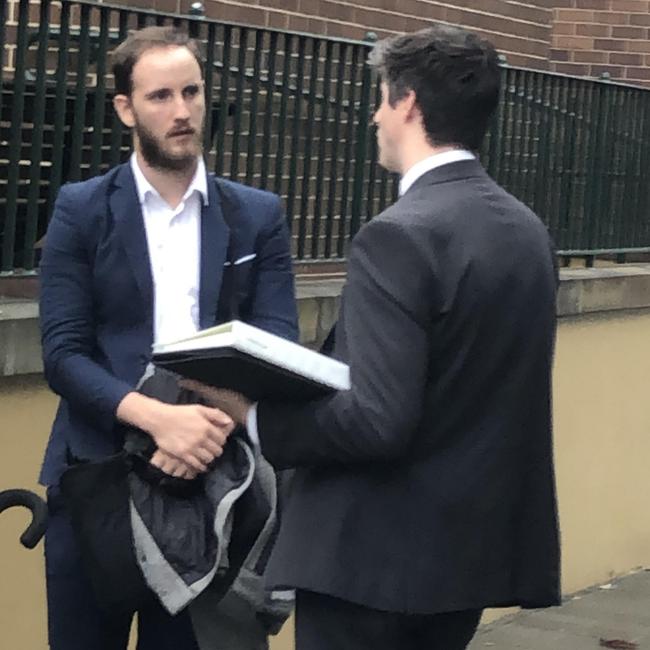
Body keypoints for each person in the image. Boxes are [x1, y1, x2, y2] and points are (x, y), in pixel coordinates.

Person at [186, 25, 561, 650]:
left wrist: (251, 415)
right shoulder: (528, 234)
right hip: (469, 564)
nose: (374, 115)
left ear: (409, 104)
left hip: (369, 566)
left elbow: (375, 421)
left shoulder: (398, 235)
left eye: (382, 99)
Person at [38, 26, 298, 650]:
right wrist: (158, 420)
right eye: (160, 96)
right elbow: (64, 354)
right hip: (96, 474)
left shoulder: (257, 216)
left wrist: (199, 429)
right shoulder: (82, 208)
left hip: (212, 483)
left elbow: (276, 341)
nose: (181, 112)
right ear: (125, 108)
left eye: (191, 92)